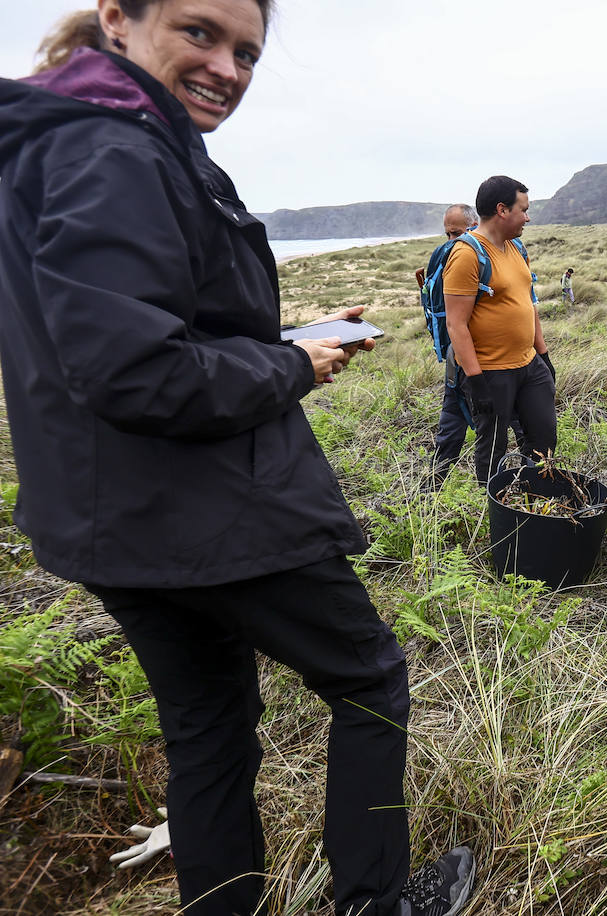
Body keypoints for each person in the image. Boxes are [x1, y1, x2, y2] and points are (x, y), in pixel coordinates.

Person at [0, 4, 474, 915]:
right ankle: (377, 901)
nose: (227, 66)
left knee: (208, 729)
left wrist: (279, 340)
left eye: (247, 51)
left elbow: (124, 332)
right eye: (200, 32)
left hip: (109, 522)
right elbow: (137, 372)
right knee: (368, 678)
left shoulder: (63, 138)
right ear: (117, 17)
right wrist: (290, 362)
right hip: (211, 508)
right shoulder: (118, 149)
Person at [444, 175, 555, 484]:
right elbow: (456, 323)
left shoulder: (517, 247)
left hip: (529, 365)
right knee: (493, 449)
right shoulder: (467, 254)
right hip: (491, 371)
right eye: (523, 209)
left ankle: (536, 497)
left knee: (543, 439)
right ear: (502, 210)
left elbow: (528, 303)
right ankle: (497, 510)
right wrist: (477, 381)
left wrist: (543, 356)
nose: (528, 217)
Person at [417, 204, 480, 482]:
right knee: (482, 423)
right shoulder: (461, 256)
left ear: (475, 225)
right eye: (448, 234)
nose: (452, 240)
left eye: (457, 232)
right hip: (469, 357)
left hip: (460, 356)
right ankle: (437, 488)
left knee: (454, 418)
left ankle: (434, 486)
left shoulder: (471, 255)